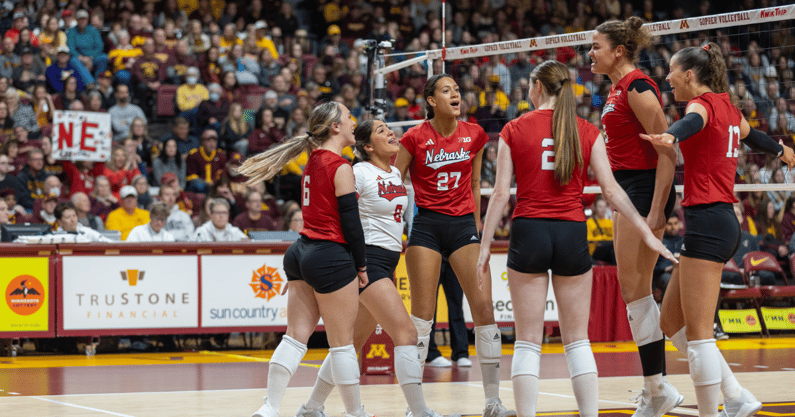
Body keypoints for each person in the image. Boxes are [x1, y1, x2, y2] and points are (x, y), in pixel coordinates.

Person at [478, 60, 676, 417]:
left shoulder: (513, 129)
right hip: (571, 231)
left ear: (537, 86)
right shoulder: (586, 129)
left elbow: (499, 195)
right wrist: (646, 230)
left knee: (527, 342)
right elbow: (612, 191)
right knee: (578, 341)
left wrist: (483, 247)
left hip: (529, 230)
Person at [640, 42, 795, 417]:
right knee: (670, 320)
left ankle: (718, 411)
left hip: (710, 221)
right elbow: (751, 136)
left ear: (689, 75)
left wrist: (672, 136)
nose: (668, 78)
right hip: (715, 221)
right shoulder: (727, 105)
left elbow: (692, 120)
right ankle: (737, 395)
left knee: (700, 337)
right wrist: (781, 151)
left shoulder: (703, 105)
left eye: (673, 72)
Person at [294, 119, 456, 417]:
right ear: (367, 146)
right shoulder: (358, 171)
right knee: (406, 333)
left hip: (389, 260)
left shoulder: (395, 172)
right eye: (382, 131)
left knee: (351, 343)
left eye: (388, 129)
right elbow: (336, 208)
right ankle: (419, 411)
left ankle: (311, 407)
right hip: (367, 261)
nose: (390, 133)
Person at [237, 102, 370, 417]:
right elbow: (352, 226)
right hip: (329, 255)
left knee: (295, 337)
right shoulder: (341, 167)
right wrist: (362, 266)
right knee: (342, 345)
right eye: (349, 117)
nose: (354, 121)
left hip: (299, 252)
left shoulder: (311, 161)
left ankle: (269, 407)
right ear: (335, 127)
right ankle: (355, 413)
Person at [393, 73, 515, 417]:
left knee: (485, 311)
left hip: (463, 226)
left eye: (457, 90)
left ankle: (493, 402)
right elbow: (393, 181)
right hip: (427, 226)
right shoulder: (414, 136)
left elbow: (476, 180)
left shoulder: (475, 133)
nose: (456, 94)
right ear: (431, 100)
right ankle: (414, 407)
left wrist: (476, 222)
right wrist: (397, 220)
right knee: (421, 319)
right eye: (447, 90)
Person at [588, 17, 681, 412]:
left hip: (643, 191)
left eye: (596, 46)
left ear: (618, 51)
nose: (590, 53)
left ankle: (663, 390)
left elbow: (667, 150)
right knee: (638, 295)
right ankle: (659, 388)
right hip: (629, 189)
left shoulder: (639, 87)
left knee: (636, 294)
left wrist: (657, 209)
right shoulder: (615, 89)